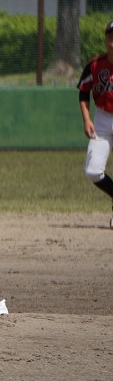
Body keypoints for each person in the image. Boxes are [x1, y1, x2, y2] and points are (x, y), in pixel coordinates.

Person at [77, 20, 113, 229]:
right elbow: (83, 92)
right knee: (92, 171)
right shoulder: (95, 65)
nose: (112, 39)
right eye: (110, 35)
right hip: (101, 118)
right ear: (106, 39)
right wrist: (87, 118)